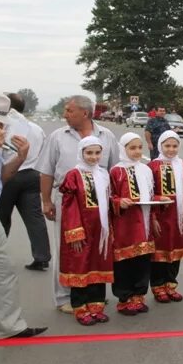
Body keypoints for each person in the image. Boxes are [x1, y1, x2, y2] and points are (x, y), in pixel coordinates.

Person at [37, 95, 119, 314]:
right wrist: (46, 201)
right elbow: (46, 170)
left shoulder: (107, 136)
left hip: (100, 205)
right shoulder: (57, 137)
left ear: (85, 113)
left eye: (69, 110)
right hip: (69, 203)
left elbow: (115, 171)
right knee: (67, 248)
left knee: (96, 248)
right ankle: (65, 296)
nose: (65, 114)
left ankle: (92, 293)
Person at [0, 91, 47, 356]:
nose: (0, 127)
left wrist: (19, 157)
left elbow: (0, 178)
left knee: (3, 273)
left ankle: (11, 326)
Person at [59, 137, 114, 326]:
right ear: (81, 153)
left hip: (101, 230)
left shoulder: (104, 174)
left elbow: (107, 200)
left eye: (97, 153)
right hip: (81, 229)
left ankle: (96, 306)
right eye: (89, 153)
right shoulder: (73, 175)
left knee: (98, 267)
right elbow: (69, 206)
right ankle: (80, 308)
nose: (93, 157)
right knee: (80, 267)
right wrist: (75, 231)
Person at [0, 93, 51, 271]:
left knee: (1, 217)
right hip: (33, 175)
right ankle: (42, 256)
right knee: (34, 217)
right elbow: (43, 151)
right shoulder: (35, 128)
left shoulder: (4, 126)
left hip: (10, 174)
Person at [109, 133, 157, 316]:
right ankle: (124, 298)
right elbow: (110, 196)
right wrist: (118, 202)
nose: (137, 152)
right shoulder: (116, 171)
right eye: (132, 148)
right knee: (125, 262)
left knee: (142, 262)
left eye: (139, 148)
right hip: (125, 225)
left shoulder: (146, 170)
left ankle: (138, 296)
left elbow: (151, 195)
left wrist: (161, 200)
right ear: (123, 149)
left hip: (144, 224)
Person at [149, 131, 183, 303]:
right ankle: (158, 287)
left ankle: (171, 284)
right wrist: (153, 217)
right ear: (160, 146)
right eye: (167, 146)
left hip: (179, 218)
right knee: (159, 255)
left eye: (174, 146)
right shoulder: (152, 167)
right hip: (160, 218)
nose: (171, 149)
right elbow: (148, 193)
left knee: (175, 253)